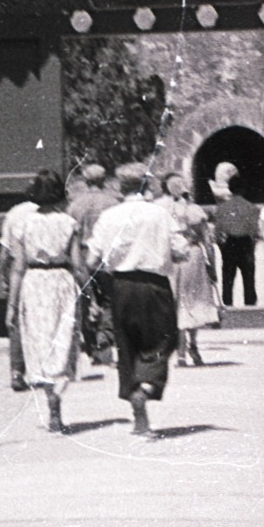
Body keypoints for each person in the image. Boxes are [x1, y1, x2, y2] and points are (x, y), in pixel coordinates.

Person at [86, 163, 184, 437]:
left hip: (121, 286)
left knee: (127, 346)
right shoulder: (159, 214)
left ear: (120, 186)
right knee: (163, 340)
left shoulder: (109, 217)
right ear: (148, 186)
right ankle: (147, 386)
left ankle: (139, 416)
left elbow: (91, 259)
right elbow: (180, 250)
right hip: (155, 285)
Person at [8, 168, 85, 432]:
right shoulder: (68, 223)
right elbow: (78, 264)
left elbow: (17, 267)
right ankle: (56, 400)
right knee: (62, 340)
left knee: (40, 341)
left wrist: (11, 304)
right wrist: (90, 294)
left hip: (34, 282)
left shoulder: (23, 224)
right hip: (61, 281)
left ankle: (49, 398)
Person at [159, 173, 219, 365]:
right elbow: (207, 241)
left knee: (177, 303)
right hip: (193, 256)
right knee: (194, 300)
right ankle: (193, 345)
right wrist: (213, 267)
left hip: (172, 258)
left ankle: (181, 351)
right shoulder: (194, 210)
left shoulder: (162, 210)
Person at [66, 163, 120, 365]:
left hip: (82, 256)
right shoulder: (113, 203)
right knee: (108, 302)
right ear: (104, 180)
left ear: (86, 181)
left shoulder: (75, 205)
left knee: (87, 301)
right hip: (106, 257)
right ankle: (104, 344)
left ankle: (91, 347)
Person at [0, 192, 40, 391]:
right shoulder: (54, 213)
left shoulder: (14, 213)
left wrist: (3, 276)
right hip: (43, 271)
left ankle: (17, 370)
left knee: (16, 320)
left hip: (18, 270)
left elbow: (5, 250)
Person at [212, 175, 260, 307]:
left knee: (228, 277)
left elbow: (217, 231)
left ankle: (227, 304)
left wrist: (222, 246)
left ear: (230, 188)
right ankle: (249, 305)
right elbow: (255, 231)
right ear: (243, 189)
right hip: (245, 242)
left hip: (229, 243)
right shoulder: (251, 207)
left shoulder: (222, 207)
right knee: (248, 277)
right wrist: (252, 246)